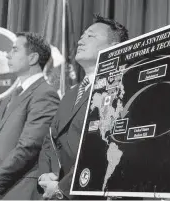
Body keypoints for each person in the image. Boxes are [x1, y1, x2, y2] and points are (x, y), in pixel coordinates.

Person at [36, 14, 129, 200]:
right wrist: (45, 175)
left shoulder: (123, 86)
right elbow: (50, 140)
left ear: (113, 47)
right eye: (82, 36)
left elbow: (106, 146)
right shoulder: (71, 92)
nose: (81, 40)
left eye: (91, 36)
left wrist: (62, 187)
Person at [0, 32, 60, 200]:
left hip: (18, 189)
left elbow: (28, 147)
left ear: (32, 58)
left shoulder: (45, 94)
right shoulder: (13, 95)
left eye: (15, 50)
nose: (8, 54)